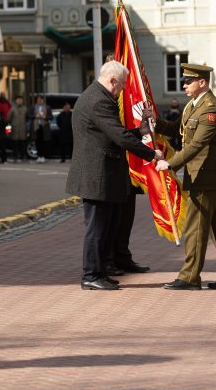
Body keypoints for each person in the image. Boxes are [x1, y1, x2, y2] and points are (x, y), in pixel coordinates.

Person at [65, 61, 162, 291]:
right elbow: (118, 137)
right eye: (122, 86)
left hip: (101, 174)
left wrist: (140, 132)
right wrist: (151, 154)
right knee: (96, 229)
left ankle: (99, 272)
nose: (123, 90)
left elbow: (112, 134)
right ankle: (90, 274)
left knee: (105, 227)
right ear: (112, 81)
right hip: (96, 175)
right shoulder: (99, 101)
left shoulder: (96, 96)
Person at [154, 63, 216, 290]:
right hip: (201, 175)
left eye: (188, 81)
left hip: (204, 176)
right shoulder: (193, 105)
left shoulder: (210, 108)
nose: (183, 84)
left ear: (201, 83)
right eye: (184, 81)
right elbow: (177, 129)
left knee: (196, 227)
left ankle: (189, 277)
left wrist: (170, 164)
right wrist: (154, 122)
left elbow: (197, 144)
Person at [29, 95, 52, 163]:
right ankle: (38, 156)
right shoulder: (33, 107)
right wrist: (35, 116)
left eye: (40, 99)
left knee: (44, 142)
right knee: (37, 142)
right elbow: (29, 115)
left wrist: (45, 117)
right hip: (36, 127)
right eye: (38, 100)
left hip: (44, 127)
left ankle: (43, 156)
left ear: (43, 100)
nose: (39, 101)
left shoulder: (47, 107)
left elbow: (51, 117)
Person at [8, 96, 29, 162]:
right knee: (15, 144)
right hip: (15, 130)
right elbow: (8, 119)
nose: (20, 101)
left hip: (23, 129)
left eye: (21, 100)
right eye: (18, 100)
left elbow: (27, 119)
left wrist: (26, 127)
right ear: (16, 101)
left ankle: (23, 157)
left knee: (23, 144)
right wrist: (8, 130)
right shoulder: (12, 109)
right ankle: (15, 157)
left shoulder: (25, 109)